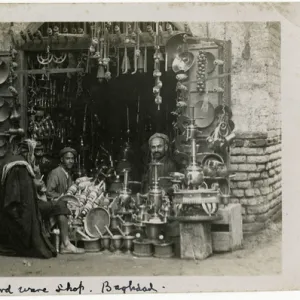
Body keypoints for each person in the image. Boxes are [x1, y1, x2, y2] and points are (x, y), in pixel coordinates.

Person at [0, 139, 84, 258]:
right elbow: (16, 196)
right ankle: (65, 244)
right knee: (61, 205)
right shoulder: (19, 166)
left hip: (28, 204)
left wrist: (35, 182)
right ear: (29, 152)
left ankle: (65, 244)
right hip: (24, 209)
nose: (36, 158)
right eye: (35, 154)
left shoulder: (20, 164)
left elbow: (22, 189)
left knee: (60, 205)